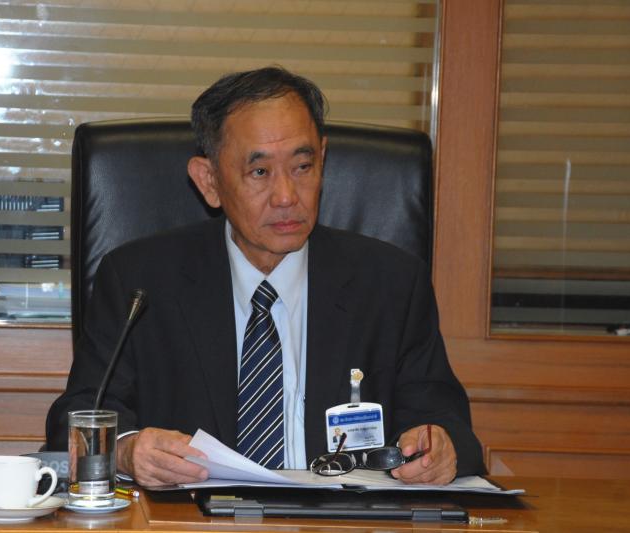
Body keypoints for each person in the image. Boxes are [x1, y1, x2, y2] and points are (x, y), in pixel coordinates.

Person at [46, 66, 485, 488]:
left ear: (323, 159)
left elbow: (448, 427)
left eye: (303, 167)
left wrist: (440, 450)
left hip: (338, 524)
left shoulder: (391, 284)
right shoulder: (139, 282)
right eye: (260, 172)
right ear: (209, 181)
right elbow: (77, 418)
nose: (286, 196)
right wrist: (127, 450)